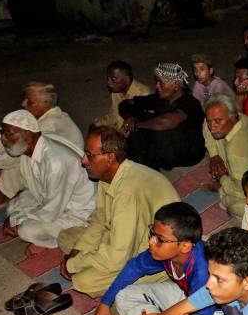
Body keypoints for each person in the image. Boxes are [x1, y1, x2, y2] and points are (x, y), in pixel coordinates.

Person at [58, 127, 180, 297]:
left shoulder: (127, 191)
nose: (83, 160)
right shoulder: (107, 176)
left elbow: (118, 256)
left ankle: (162, 276)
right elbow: (100, 220)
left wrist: (74, 264)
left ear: (110, 157)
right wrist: (76, 253)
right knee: (66, 236)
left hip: (155, 251)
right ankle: (93, 257)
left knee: (84, 282)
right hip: (124, 236)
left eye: (90, 155)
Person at [95, 202, 218, 315]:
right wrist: (105, 302)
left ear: (184, 246)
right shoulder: (164, 253)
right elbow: (134, 268)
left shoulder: (204, 272)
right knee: (123, 294)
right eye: (152, 234)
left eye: (160, 239)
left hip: (214, 312)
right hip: (187, 295)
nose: (152, 242)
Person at [0, 82, 84, 218]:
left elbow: (13, 148)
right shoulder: (41, 116)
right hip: (45, 167)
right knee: (12, 147)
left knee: (14, 159)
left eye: (29, 102)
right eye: (25, 98)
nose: (23, 103)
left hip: (60, 177)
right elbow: (8, 129)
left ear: (45, 105)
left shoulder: (51, 124)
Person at [0, 110, 95, 249]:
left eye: (8, 133)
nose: (3, 139)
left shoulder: (55, 163)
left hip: (78, 213)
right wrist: (16, 215)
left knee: (26, 230)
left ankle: (59, 241)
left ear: (27, 134)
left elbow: (51, 210)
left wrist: (17, 219)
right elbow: (34, 188)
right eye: (3, 132)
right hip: (53, 198)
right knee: (13, 207)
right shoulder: (31, 148)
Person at [119, 62, 206, 171]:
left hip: (189, 151)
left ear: (176, 85)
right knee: (141, 123)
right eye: (156, 82)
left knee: (158, 131)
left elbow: (167, 122)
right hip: (169, 143)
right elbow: (125, 104)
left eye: (161, 83)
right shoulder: (161, 98)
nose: (156, 86)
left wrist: (136, 125)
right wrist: (129, 118)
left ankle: (148, 171)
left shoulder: (190, 103)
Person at [91, 61, 152, 132]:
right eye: (108, 78)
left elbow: (146, 125)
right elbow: (113, 115)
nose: (109, 83)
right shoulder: (116, 91)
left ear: (127, 80)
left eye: (113, 79)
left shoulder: (143, 94)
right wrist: (97, 124)